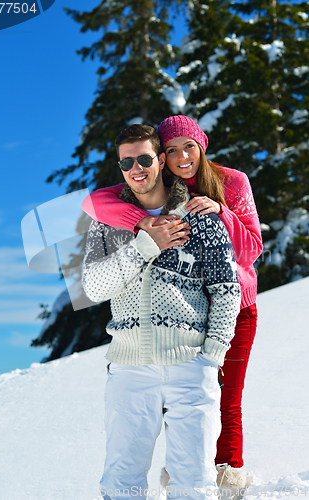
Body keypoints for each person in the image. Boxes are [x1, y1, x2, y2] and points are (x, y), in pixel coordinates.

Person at [82, 116, 263, 490]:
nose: (137, 168)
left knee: (225, 404)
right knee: (125, 470)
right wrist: (144, 231)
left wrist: (219, 212)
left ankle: (228, 472)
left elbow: (241, 266)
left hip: (219, 323)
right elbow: (93, 276)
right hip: (134, 359)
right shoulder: (116, 214)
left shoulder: (225, 188)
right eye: (128, 163)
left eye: (145, 160)